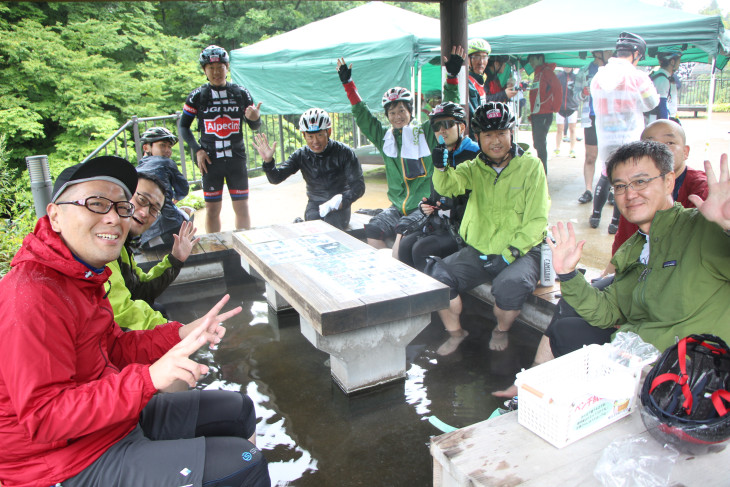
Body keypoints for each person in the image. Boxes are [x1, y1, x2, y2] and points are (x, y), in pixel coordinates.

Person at [0, 155, 269, 486]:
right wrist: (149, 379)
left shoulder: (82, 278)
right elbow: (44, 418)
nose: (114, 218)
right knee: (245, 462)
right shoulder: (32, 296)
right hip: (62, 460)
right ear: (55, 215)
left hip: (110, 424)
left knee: (239, 409)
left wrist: (181, 333)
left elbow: (113, 348)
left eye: (120, 207)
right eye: (96, 204)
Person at [495, 141, 730, 399]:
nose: (630, 195)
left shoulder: (705, 229)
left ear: (668, 181)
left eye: (641, 182)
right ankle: (534, 387)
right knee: (565, 331)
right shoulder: (634, 247)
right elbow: (607, 312)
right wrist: (568, 275)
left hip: (695, 375)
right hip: (637, 358)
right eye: (620, 186)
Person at [424, 102, 549, 355]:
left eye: (502, 133)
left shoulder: (531, 167)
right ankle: (456, 332)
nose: (496, 141)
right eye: (489, 135)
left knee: (509, 287)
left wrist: (509, 254)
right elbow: (448, 187)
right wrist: (439, 168)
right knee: (436, 277)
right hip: (480, 247)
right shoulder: (473, 168)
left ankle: (500, 330)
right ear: (478, 137)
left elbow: (538, 220)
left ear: (511, 133)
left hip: (522, 250)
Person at [336, 47, 462, 249]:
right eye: (392, 112)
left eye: (402, 110)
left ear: (410, 112)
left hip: (424, 205)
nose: (398, 116)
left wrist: (452, 77)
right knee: (374, 228)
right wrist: (348, 85)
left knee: (403, 232)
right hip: (398, 206)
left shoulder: (426, 133)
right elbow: (363, 117)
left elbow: (449, 108)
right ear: (387, 116)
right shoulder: (385, 139)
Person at [180, 45, 262, 233]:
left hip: (236, 159)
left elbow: (255, 126)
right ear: (204, 70)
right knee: (212, 209)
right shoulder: (197, 96)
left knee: (241, 207)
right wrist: (197, 150)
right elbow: (183, 126)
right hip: (210, 161)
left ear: (227, 68)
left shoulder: (241, 93)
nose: (216, 72)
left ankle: (245, 247)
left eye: (220, 67)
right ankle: (215, 246)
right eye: (211, 68)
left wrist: (255, 119)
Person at [108, 170, 200, 331]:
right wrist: (177, 331)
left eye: (154, 210)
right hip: (96, 341)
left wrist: (175, 259)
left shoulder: (121, 246)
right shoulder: (102, 244)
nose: (144, 213)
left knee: (158, 309)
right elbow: (120, 311)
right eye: (141, 200)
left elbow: (140, 289)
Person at [589, 32, 659, 234]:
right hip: (629, 137)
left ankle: (595, 215)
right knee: (626, 181)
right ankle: (615, 223)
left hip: (605, 137)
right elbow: (651, 104)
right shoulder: (637, 77)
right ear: (635, 53)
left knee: (606, 174)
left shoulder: (598, 76)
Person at [397, 102, 479, 271]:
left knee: (421, 249)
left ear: (461, 127)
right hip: (442, 223)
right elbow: (437, 193)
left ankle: (436, 295)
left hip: (466, 226)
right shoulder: (439, 153)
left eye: (448, 124)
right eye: (436, 126)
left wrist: (449, 207)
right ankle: (414, 295)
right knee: (404, 245)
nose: (442, 130)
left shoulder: (475, 154)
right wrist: (427, 205)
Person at [251, 108, 365, 230]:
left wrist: (342, 201)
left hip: (339, 205)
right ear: (304, 135)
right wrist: (268, 162)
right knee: (313, 225)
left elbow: (358, 186)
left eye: (320, 135)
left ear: (329, 132)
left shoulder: (344, 152)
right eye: (310, 136)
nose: (315, 141)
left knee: (332, 225)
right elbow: (275, 178)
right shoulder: (301, 155)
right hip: (315, 203)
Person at [136, 126, 192, 249]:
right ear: (146, 147)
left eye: (169, 147)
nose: (167, 150)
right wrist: (176, 197)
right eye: (162, 145)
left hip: (143, 229)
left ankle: (149, 242)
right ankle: (161, 240)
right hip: (169, 226)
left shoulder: (137, 169)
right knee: (188, 216)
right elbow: (183, 188)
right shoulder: (166, 162)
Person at [573, 50, 614, 204]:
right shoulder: (584, 71)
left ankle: (611, 189)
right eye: (607, 50)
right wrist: (583, 93)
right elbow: (574, 97)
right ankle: (588, 190)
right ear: (598, 52)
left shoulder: (614, 72)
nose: (611, 52)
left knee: (611, 157)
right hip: (590, 118)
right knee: (590, 156)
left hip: (609, 119)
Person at [526, 53, 562, 174]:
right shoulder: (538, 73)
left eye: (532, 60)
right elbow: (537, 96)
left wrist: (555, 108)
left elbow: (558, 88)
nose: (531, 63)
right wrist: (533, 114)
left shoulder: (546, 71)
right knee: (537, 143)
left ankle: (543, 173)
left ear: (540, 59)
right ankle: (541, 171)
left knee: (540, 144)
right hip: (537, 115)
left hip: (544, 114)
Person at [645, 48, 682, 124]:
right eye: (678, 60)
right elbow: (662, 106)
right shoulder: (662, 79)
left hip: (659, 120)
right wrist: (665, 125)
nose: (679, 63)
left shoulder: (664, 77)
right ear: (672, 62)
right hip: (657, 121)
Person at [554, 67, 578, 158]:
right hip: (559, 107)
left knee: (572, 129)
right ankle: (557, 149)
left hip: (572, 106)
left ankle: (572, 150)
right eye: (565, 66)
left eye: (569, 66)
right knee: (559, 129)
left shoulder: (576, 77)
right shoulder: (559, 76)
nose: (567, 68)